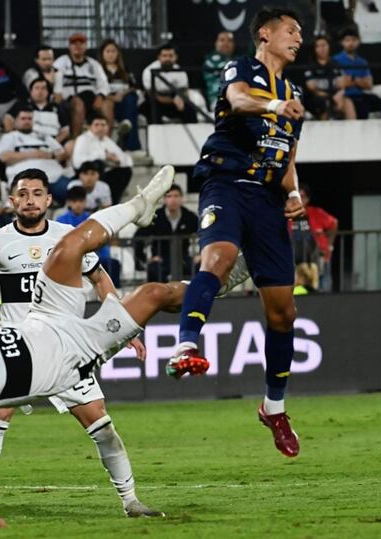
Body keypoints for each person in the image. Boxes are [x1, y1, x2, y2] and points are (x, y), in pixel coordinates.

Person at [0, 166, 187, 528]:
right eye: (23, 194)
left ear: (48, 199)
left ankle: (131, 500)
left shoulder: (65, 237)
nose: (30, 200)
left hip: (65, 344)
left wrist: (126, 328)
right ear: (11, 201)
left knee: (102, 425)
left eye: (37, 193)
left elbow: (99, 278)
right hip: (13, 352)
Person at [169, 7, 307, 458]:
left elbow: (286, 155)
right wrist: (271, 104)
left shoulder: (295, 95)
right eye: (291, 30)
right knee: (218, 258)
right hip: (227, 183)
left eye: (300, 33)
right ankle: (186, 344)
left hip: (268, 199)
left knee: (284, 312)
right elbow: (239, 98)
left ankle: (274, 407)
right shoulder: (246, 70)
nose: (298, 38)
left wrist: (294, 193)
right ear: (264, 34)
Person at [0, 107, 70, 202]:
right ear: (16, 121)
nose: (27, 121)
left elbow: (62, 154)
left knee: (76, 191)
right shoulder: (10, 137)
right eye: (23, 118)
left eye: (29, 119)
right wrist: (34, 154)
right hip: (25, 180)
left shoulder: (43, 136)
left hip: (54, 177)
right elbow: (3, 156)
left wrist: (51, 156)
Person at [57, 184, 120, 286]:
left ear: (85, 202)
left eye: (81, 201)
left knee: (113, 263)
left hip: (93, 257)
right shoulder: (61, 221)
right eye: (74, 201)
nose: (78, 204)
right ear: (69, 202)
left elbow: (101, 241)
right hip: (70, 258)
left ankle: (115, 293)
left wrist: (103, 256)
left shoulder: (93, 219)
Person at [134, 184, 198, 283]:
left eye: (176, 196)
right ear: (164, 199)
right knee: (154, 270)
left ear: (181, 198)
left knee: (200, 268)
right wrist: (147, 259)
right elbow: (138, 238)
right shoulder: (155, 217)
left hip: (183, 259)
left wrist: (201, 254)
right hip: (161, 260)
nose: (173, 200)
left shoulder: (189, 217)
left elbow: (205, 233)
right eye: (169, 196)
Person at [332, 28, 381, 120]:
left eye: (353, 40)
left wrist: (353, 79)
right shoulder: (335, 60)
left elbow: (369, 84)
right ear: (342, 42)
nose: (351, 43)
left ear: (358, 41)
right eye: (347, 40)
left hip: (361, 95)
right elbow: (340, 83)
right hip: (346, 97)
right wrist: (359, 81)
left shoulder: (362, 62)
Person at [54, 33, 112, 137]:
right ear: (69, 46)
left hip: (91, 98)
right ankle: (76, 140)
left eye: (81, 43)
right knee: (78, 103)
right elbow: (57, 81)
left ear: (86, 46)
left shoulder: (94, 64)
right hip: (70, 100)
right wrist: (58, 93)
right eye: (74, 44)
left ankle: (107, 140)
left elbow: (103, 83)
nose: (77, 46)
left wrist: (100, 96)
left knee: (107, 104)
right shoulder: (61, 62)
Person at [72, 113, 132, 205]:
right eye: (97, 125)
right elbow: (77, 162)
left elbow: (127, 160)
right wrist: (103, 156)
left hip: (104, 174)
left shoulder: (107, 140)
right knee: (98, 163)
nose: (100, 128)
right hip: (86, 174)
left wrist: (117, 160)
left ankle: (113, 202)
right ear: (89, 127)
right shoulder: (83, 139)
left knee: (126, 170)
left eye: (103, 125)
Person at [99, 39, 141, 151]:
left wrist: (123, 94)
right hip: (107, 103)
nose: (111, 54)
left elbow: (134, 87)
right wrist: (112, 97)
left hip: (125, 102)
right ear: (102, 54)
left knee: (131, 100)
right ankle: (109, 143)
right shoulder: (98, 71)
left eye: (113, 51)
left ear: (118, 53)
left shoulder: (125, 70)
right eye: (108, 51)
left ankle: (132, 145)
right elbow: (95, 90)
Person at [295, 184, 338, 291]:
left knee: (323, 285)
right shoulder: (289, 214)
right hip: (296, 259)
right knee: (297, 288)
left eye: (302, 196)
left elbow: (333, 223)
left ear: (308, 199)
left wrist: (329, 245)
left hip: (317, 256)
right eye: (297, 196)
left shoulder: (316, 213)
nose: (300, 199)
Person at [142, 43, 198, 124]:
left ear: (175, 57)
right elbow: (151, 94)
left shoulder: (180, 71)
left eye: (171, 56)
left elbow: (185, 91)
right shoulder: (148, 71)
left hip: (175, 99)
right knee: (152, 109)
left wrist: (182, 101)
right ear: (159, 57)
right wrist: (172, 101)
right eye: (164, 56)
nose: (167, 58)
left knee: (190, 109)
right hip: (155, 100)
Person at [303, 36, 356, 120]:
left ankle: (354, 131)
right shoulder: (311, 66)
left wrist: (339, 93)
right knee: (325, 103)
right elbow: (311, 87)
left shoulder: (335, 64)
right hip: (318, 98)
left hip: (335, 95)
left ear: (329, 47)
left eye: (324, 45)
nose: (322, 49)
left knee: (348, 102)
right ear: (315, 49)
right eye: (318, 46)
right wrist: (329, 97)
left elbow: (343, 82)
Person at [3, 78, 69, 145]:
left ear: (48, 92)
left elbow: (65, 130)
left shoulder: (56, 107)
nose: (40, 91)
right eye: (36, 88)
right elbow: (8, 118)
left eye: (43, 88)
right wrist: (12, 135)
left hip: (52, 144)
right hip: (25, 143)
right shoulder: (22, 105)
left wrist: (53, 143)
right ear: (31, 91)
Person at [203, 31, 235, 110]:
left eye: (229, 40)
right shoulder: (211, 59)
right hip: (218, 100)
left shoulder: (236, 59)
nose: (226, 43)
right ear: (216, 43)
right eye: (222, 40)